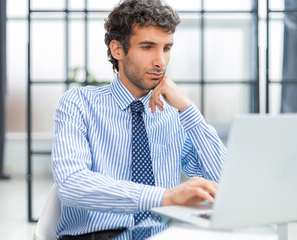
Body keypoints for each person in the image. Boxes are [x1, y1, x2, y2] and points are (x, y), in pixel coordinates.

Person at [52, 0, 227, 239]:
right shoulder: (79, 103)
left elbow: (226, 182)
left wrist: (188, 109)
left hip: (163, 234)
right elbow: (72, 184)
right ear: (117, 50)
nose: (161, 62)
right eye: (148, 47)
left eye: (166, 48)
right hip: (100, 235)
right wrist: (165, 198)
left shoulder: (174, 112)